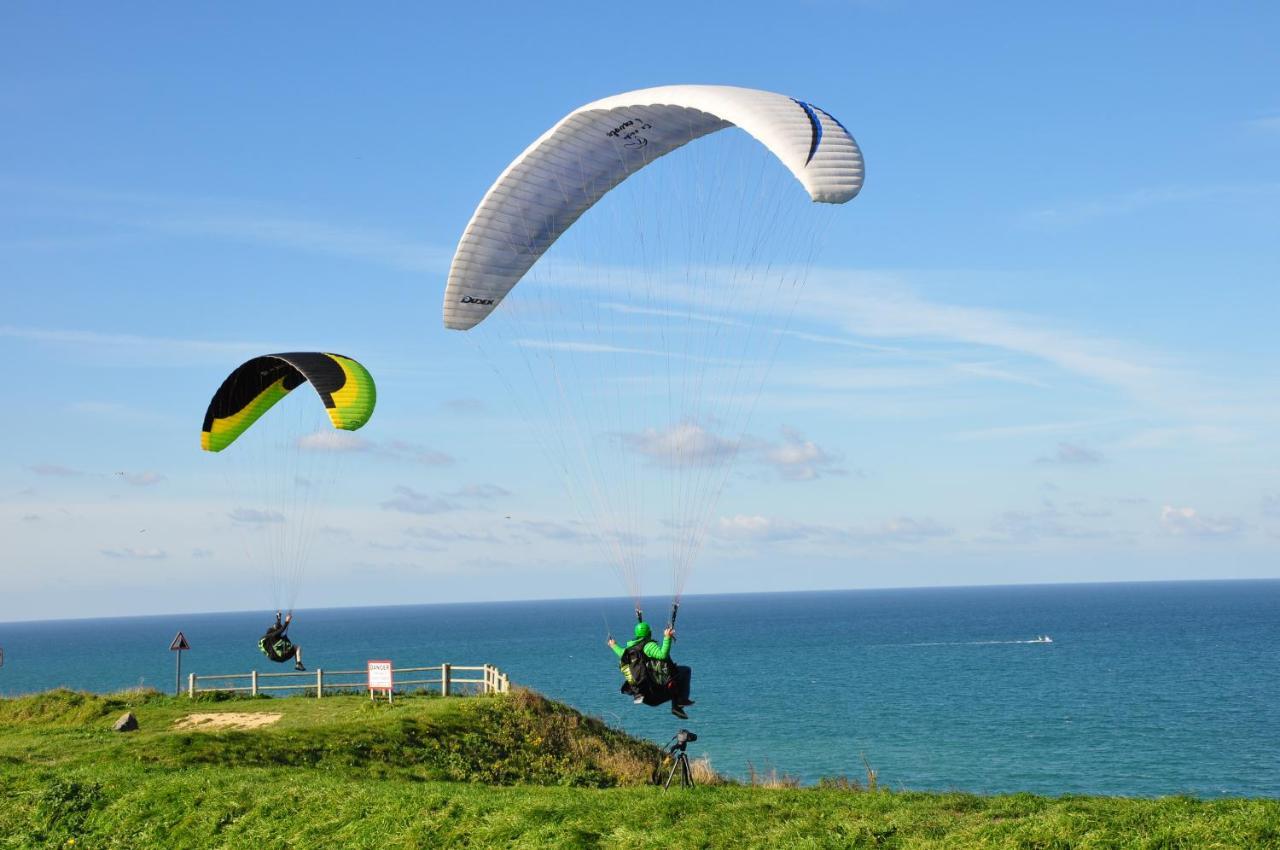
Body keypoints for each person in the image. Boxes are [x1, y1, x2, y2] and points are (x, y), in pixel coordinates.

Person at [608, 619, 694, 719]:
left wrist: (613, 645)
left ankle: (677, 706)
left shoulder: (628, 651)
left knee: (673, 677)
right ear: (649, 633)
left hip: (644, 696)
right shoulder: (648, 646)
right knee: (684, 671)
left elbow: (619, 651)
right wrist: (667, 638)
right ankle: (678, 704)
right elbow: (662, 655)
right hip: (655, 693)